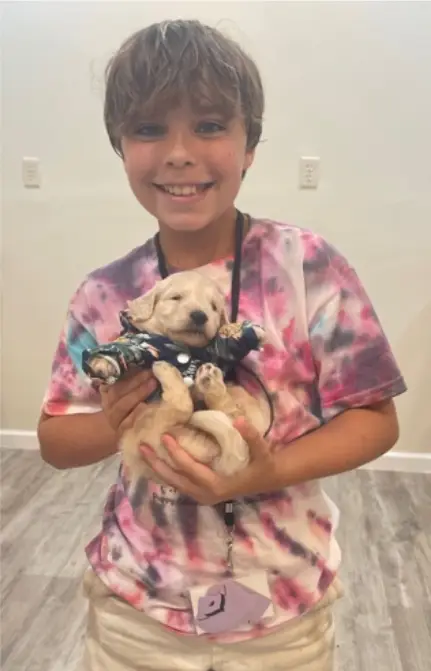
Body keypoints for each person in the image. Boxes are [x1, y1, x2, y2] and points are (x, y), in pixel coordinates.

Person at [37, 19, 406, 671]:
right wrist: (118, 415)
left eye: (209, 125)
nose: (179, 153)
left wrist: (267, 471)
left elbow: (374, 420)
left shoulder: (307, 266)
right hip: (138, 611)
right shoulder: (105, 295)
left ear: (249, 145)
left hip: (282, 611)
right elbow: (55, 439)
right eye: (149, 129)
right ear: (120, 148)